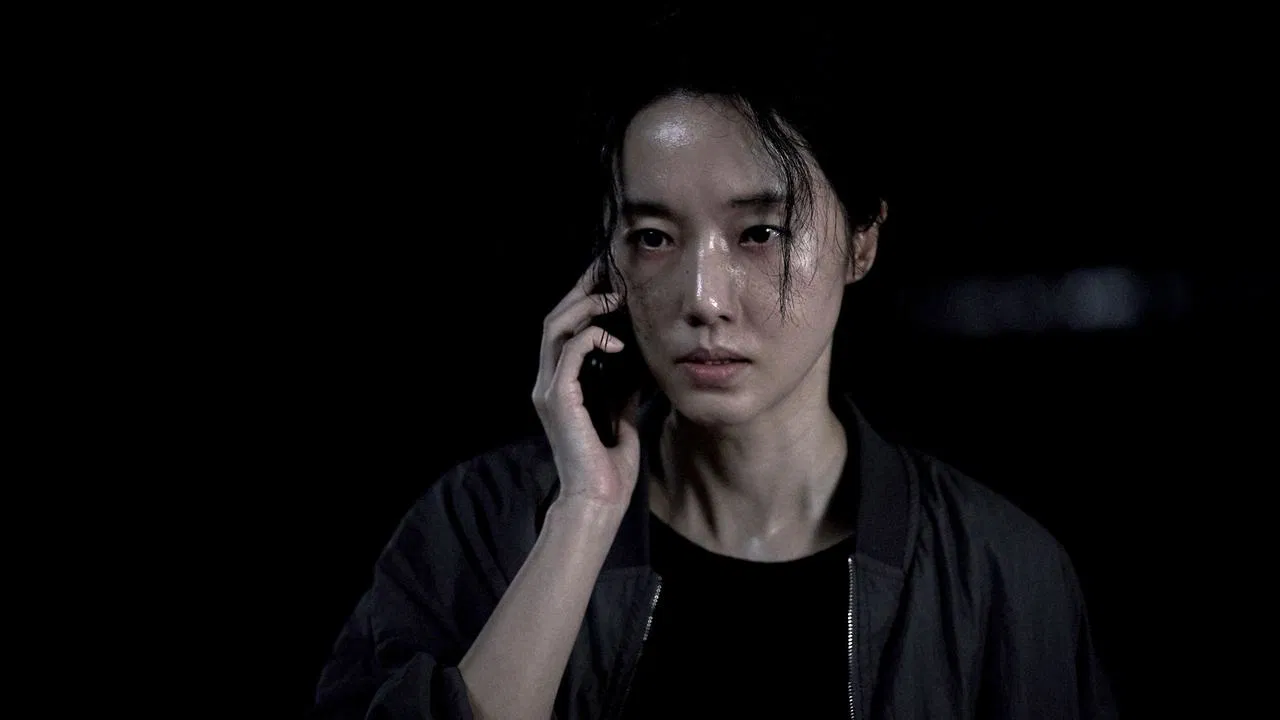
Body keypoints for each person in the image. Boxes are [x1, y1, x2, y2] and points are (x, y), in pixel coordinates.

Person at [312, 8, 1117, 719]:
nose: (702, 298)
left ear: (862, 241)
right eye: (654, 237)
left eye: (760, 233)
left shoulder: (999, 575)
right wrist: (583, 513)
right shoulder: (478, 526)